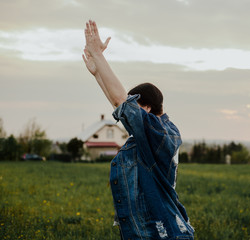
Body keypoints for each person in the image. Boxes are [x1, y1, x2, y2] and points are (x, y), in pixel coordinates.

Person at [83, 20, 194, 240]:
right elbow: (120, 106)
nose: (130, 113)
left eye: (135, 107)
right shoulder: (153, 133)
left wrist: (99, 55)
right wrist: (98, 75)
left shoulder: (161, 133)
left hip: (161, 234)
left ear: (146, 108)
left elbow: (120, 101)